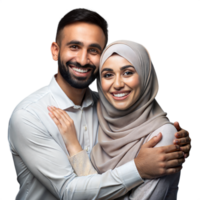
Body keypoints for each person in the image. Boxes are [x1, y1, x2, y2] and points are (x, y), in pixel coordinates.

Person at [7, 8, 191, 200]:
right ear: (55, 51)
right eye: (74, 47)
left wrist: (176, 138)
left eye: (93, 50)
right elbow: (68, 191)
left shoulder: (109, 107)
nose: (83, 59)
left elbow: (142, 127)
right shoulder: (30, 115)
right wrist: (138, 168)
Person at [48, 39, 184, 200]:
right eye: (108, 75)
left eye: (128, 72)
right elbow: (86, 188)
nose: (117, 84)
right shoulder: (104, 122)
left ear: (145, 75)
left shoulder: (164, 135)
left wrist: (75, 148)